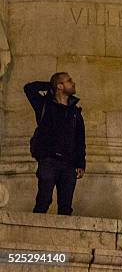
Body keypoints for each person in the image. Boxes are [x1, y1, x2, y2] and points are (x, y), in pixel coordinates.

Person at [24, 73, 86, 215]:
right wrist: (50, 85)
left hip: (69, 164)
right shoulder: (44, 105)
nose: (73, 83)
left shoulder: (75, 112)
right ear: (60, 86)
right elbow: (29, 88)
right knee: (43, 200)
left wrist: (81, 164)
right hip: (48, 160)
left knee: (65, 207)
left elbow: (80, 140)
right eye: (69, 81)